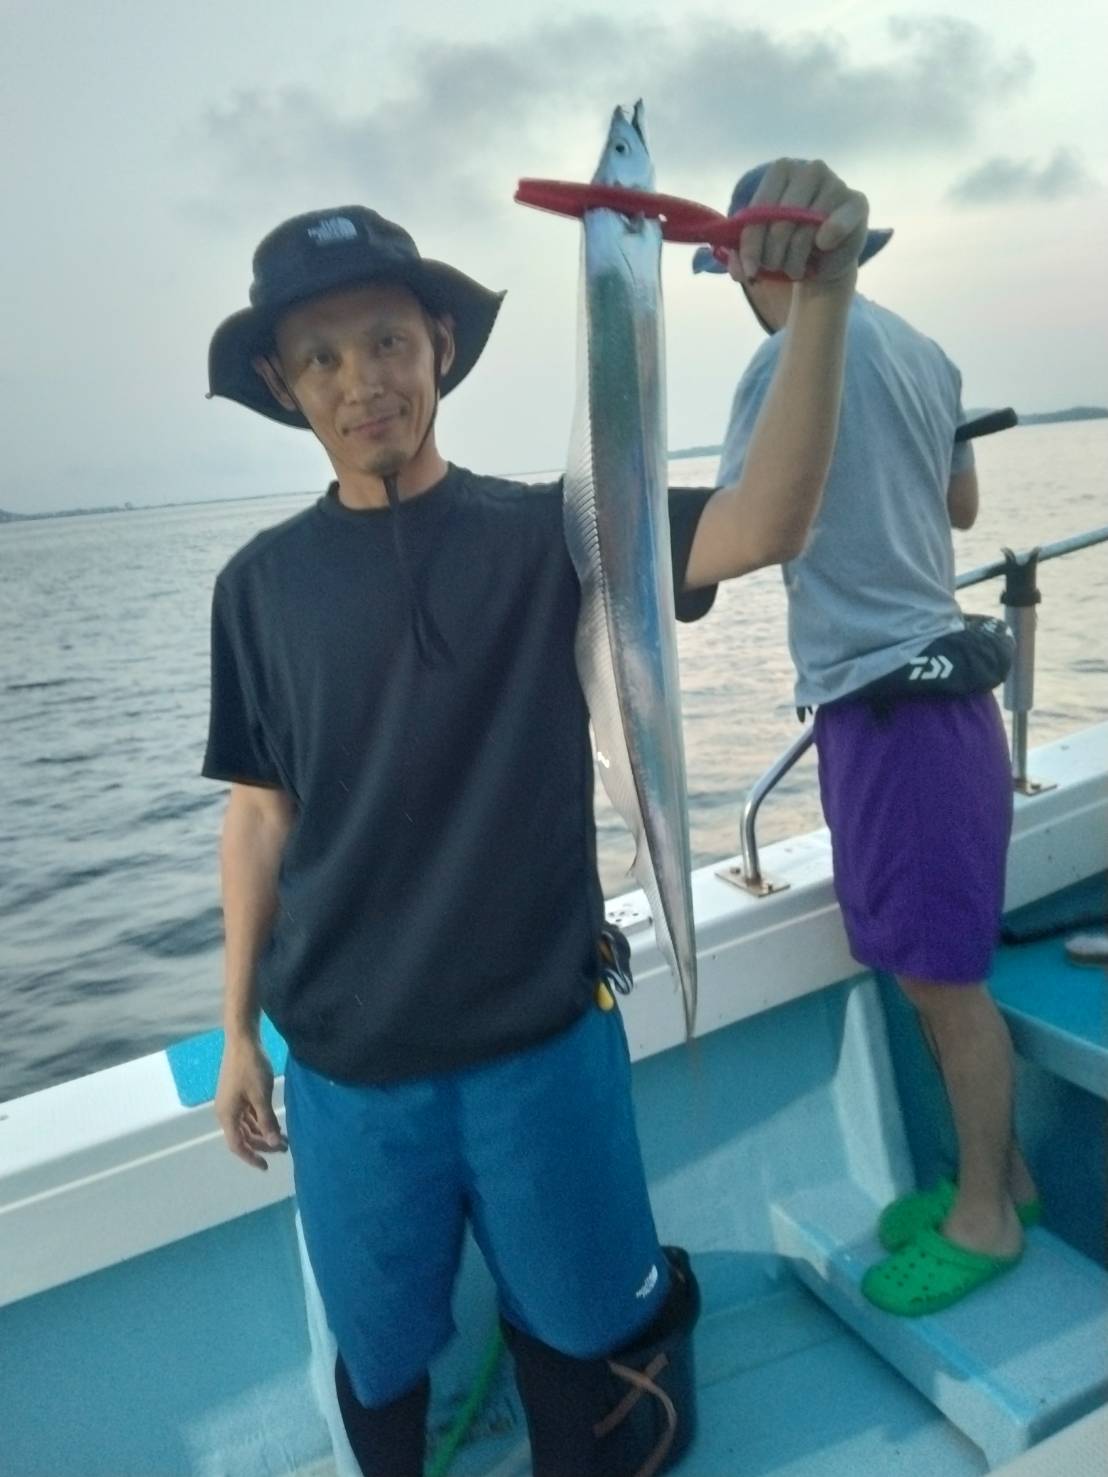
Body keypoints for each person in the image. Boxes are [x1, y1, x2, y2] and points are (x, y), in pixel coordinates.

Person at [204, 158, 868, 1476]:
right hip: (349, 1073)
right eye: (322, 357)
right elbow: (261, 818)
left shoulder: (559, 533)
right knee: (382, 1358)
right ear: (283, 385)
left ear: (440, 347)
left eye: (388, 341)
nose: (361, 379)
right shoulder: (258, 589)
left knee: (585, 1333)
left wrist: (827, 299)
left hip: (544, 1046)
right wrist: (236, 1032)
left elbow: (763, 522)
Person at [694, 161, 1040, 1319]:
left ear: (748, 265)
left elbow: (741, 530)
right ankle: (1005, 1179)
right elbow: (959, 509)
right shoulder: (925, 351)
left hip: (890, 713)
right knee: (925, 970)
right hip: (937, 700)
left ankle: (985, 1217)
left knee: (943, 985)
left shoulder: (773, 366)